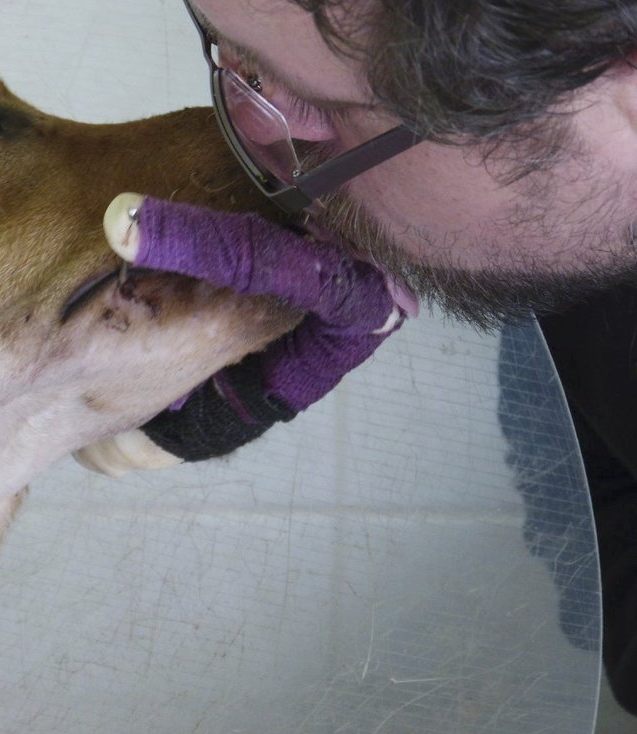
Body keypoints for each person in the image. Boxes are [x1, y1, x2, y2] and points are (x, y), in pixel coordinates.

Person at [79, 0, 637, 719]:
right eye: (224, 49)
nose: (247, 130)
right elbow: (592, 521)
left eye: (315, 99)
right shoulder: (571, 260)